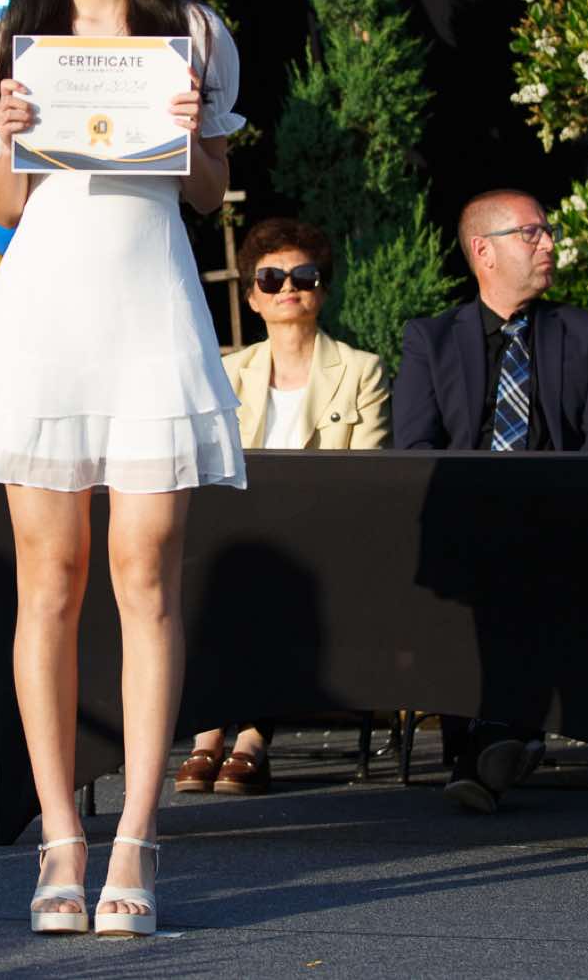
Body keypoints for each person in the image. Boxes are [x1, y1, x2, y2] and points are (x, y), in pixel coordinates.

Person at [0, 0, 245, 935]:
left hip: (150, 312)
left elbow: (207, 192)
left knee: (145, 571)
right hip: (46, 320)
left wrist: (192, 132)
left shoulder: (191, 31)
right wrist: (13, 137)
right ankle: (62, 840)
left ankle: (139, 839)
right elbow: (2, 206)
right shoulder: (6, 40)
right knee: (50, 577)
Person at [392, 188, 588, 811]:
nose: (548, 243)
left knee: (528, 555)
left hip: (563, 521)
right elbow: (415, 449)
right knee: (476, 553)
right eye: (531, 233)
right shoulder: (430, 339)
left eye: (547, 232)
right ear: (484, 251)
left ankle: (486, 742)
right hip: (465, 525)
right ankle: (504, 735)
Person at [175, 218, 390, 797]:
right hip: (239, 536)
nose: (287, 288)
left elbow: (367, 478)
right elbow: (207, 470)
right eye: (271, 278)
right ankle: (212, 732)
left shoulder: (362, 370)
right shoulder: (227, 373)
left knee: (266, 580)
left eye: (303, 276)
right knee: (218, 570)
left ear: (323, 288)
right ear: (252, 296)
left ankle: (245, 738)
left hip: (325, 539)